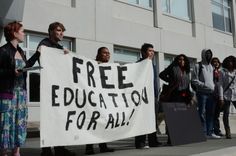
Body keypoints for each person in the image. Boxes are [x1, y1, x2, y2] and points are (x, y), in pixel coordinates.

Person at [30, 22, 75, 156]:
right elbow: (37, 61)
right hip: (48, 88)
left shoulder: (58, 47)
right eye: (59, 30)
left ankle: (60, 148)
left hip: (58, 88)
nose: (62, 34)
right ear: (50, 31)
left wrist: (67, 55)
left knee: (59, 118)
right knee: (49, 118)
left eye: (62, 31)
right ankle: (47, 150)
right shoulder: (44, 45)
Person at [0, 21, 37, 156]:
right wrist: (11, 72)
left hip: (21, 94)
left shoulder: (20, 51)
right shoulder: (3, 51)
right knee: (6, 125)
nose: (24, 33)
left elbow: (27, 65)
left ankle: (16, 153)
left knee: (19, 124)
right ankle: (3, 152)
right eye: (22, 31)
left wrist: (38, 53)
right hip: (8, 95)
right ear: (14, 33)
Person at [85, 47, 114, 155]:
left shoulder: (110, 67)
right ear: (98, 54)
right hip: (94, 99)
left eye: (108, 53)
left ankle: (103, 146)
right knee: (93, 122)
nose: (107, 55)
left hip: (105, 100)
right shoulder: (93, 64)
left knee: (103, 122)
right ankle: (89, 147)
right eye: (104, 53)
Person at [159, 54, 193, 144]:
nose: (181, 61)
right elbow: (161, 75)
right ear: (177, 60)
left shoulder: (186, 70)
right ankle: (171, 140)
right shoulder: (173, 67)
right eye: (179, 59)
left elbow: (187, 84)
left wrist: (189, 96)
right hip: (174, 95)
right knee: (173, 118)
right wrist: (171, 81)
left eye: (183, 59)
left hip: (184, 95)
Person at [134, 43, 160, 149]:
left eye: (153, 51)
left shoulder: (152, 65)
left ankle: (153, 141)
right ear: (143, 52)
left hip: (152, 96)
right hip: (142, 97)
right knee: (141, 119)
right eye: (150, 51)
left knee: (152, 119)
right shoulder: (138, 64)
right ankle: (140, 142)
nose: (152, 53)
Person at [191, 49, 220, 139]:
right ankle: (203, 132)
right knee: (202, 112)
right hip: (202, 93)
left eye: (210, 54)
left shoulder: (211, 66)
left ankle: (210, 132)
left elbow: (213, 80)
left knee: (210, 113)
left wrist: (214, 87)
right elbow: (194, 80)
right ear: (203, 55)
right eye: (207, 54)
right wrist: (204, 85)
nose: (208, 55)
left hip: (211, 94)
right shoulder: (197, 65)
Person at [218, 56, 236, 139]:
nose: (230, 63)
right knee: (226, 114)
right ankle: (227, 131)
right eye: (229, 62)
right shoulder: (222, 72)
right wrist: (221, 97)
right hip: (226, 95)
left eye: (232, 61)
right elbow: (220, 85)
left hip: (235, 95)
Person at [211, 57, 223, 137]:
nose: (216, 63)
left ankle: (217, 130)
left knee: (217, 114)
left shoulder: (220, 72)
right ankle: (211, 130)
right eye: (214, 62)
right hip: (212, 95)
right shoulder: (210, 71)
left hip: (219, 95)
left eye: (217, 62)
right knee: (211, 113)